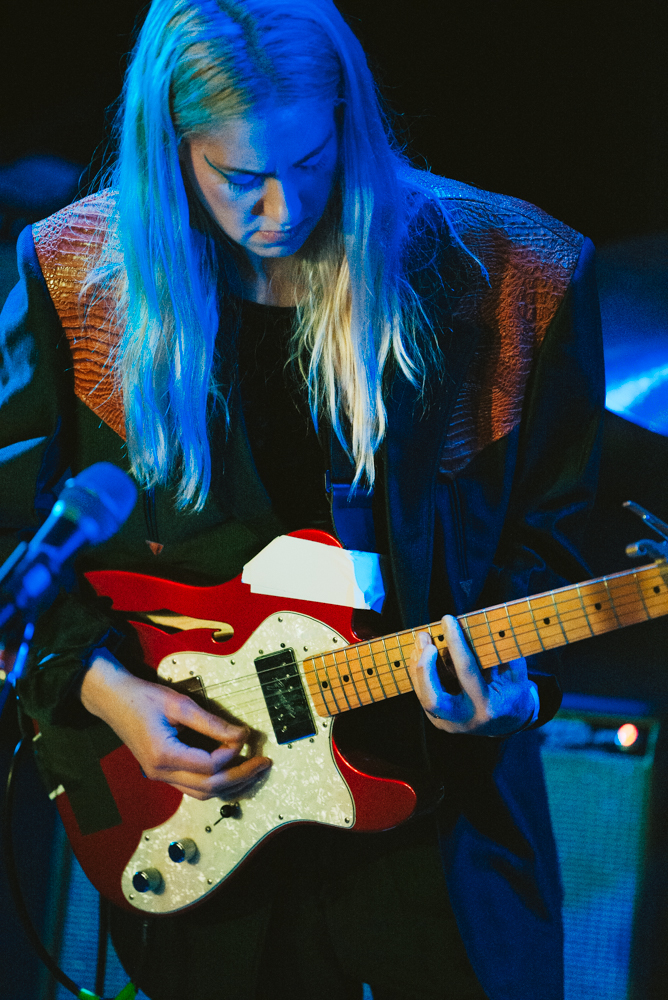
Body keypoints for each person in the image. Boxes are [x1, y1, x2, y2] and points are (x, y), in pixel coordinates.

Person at [0, 1, 604, 997]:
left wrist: (517, 692)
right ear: (168, 149)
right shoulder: (72, 273)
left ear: (348, 123)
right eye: (237, 177)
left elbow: (561, 542)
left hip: (437, 825)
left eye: (313, 161)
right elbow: (18, 536)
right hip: (197, 809)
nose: (281, 208)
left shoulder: (514, 274)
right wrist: (112, 694)